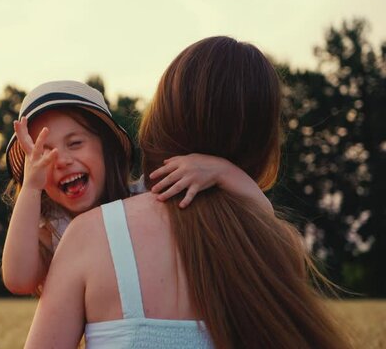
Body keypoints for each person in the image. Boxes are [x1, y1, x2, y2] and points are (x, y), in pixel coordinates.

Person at [24, 37, 351, 348]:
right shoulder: (277, 244)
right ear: (263, 142)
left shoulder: (88, 236)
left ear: (160, 118)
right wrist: (227, 173)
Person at [2, 80, 272, 295]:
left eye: (75, 144)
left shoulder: (151, 197)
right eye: (42, 155)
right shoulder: (56, 230)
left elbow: (264, 222)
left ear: (108, 150)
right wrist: (30, 188)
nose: (61, 160)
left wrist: (223, 171)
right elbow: (18, 279)